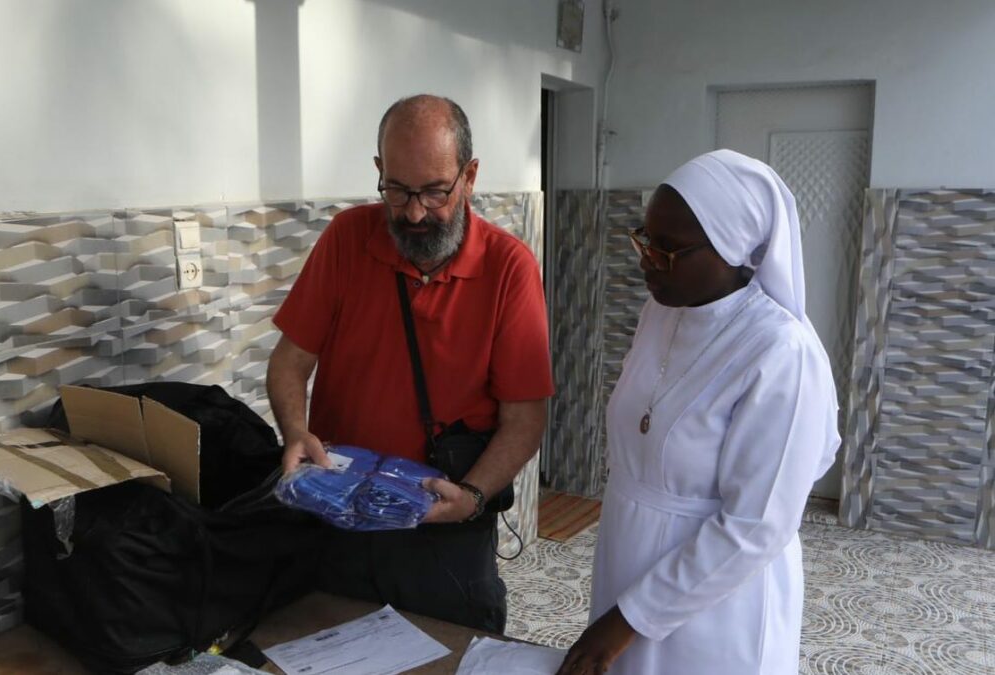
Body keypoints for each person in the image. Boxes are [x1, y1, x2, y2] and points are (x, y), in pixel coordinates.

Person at [266, 94, 553, 633]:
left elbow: (526, 419)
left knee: (452, 654)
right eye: (397, 191)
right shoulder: (347, 238)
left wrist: (470, 498)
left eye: (434, 192)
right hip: (341, 514)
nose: (415, 212)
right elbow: (289, 363)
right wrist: (296, 431)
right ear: (379, 172)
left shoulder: (509, 267)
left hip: (444, 527)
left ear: (470, 176)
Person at [558, 149, 840, 674]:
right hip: (627, 559)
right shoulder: (660, 312)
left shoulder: (780, 352)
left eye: (670, 250)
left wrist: (628, 620)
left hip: (718, 600)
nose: (647, 260)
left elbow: (756, 524)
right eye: (645, 240)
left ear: (733, 249)